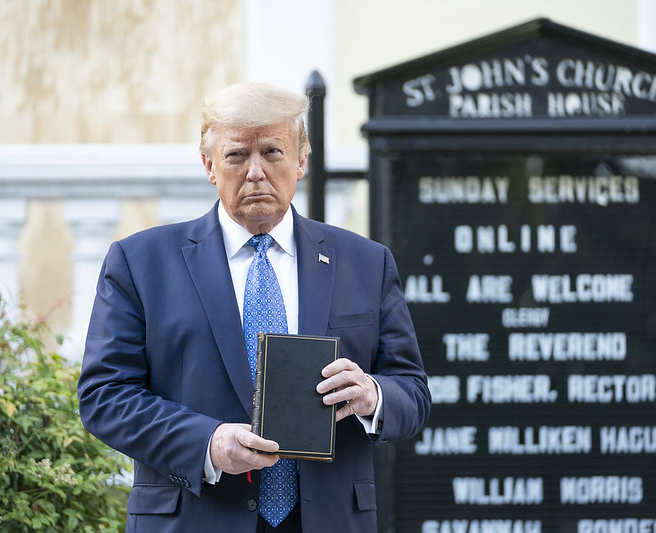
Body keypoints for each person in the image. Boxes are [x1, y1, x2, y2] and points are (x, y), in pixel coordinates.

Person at [77, 82, 431, 533]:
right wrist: (206, 441)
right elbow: (104, 395)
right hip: (196, 515)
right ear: (208, 164)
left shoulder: (366, 262)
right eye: (237, 155)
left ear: (302, 160)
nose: (256, 172)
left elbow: (414, 393)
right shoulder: (140, 263)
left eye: (273, 152)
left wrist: (372, 396)